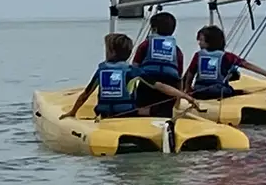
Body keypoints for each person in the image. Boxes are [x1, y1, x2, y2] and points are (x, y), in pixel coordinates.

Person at [70, 33, 199, 120]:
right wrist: (186, 97)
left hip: (106, 115)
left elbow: (85, 95)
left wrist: (72, 112)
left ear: (111, 52)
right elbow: (161, 86)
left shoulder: (101, 70)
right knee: (156, 110)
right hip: (128, 114)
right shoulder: (132, 71)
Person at [184, 24, 266, 101]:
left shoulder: (198, 55)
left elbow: (190, 74)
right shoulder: (227, 56)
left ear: (210, 41)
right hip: (220, 92)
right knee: (237, 87)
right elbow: (247, 65)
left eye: (201, 40)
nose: (199, 43)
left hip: (200, 91)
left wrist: (188, 89)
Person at [131, 11, 185, 116]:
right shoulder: (177, 50)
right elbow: (179, 76)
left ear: (154, 29)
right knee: (165, 109)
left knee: (142, 108)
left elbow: (135, 67)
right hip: (170, 84)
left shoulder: (145, 45)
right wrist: (179, 97)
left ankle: (146, 113)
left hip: (148, 83)